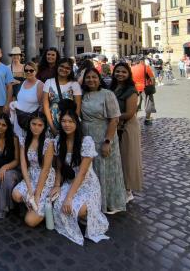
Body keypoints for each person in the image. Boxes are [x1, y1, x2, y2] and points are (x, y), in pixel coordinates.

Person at [51, 104, 109, 245]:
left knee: (78, 209)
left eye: (70, 121)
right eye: (64, 121)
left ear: (77, 123)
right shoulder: (59, 140)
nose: (67, 125)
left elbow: (82, 173)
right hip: (70, 182)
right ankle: (74, 216)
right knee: (56, 202)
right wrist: (57, 185)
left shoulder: (86, 141)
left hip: (87, 184)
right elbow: (59, 168)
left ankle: (85, 215)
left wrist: (69, 198)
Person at [80, 68, 127, 214]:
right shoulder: (83, 95)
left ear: (99, 79)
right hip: (87, 137)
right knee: (92, 171)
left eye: (94, 77)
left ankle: (108, 203)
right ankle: (94, 202)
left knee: (105, 171)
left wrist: (107, 141)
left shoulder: (107, 94)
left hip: (103, 137)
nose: (91, 80)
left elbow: (114, 119)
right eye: (88, 77)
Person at [12, 116, 56, 227]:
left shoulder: (48, 143)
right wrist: (29, 187)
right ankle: (31, 206)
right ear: (29, 124)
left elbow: (46, 170)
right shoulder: (24, 140)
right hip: (31, 175)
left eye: (40, 125)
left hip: (45, 178)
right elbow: (23, 165)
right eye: (34, 124)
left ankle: (47, 205)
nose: (36, 127)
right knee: (16, 195)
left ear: (44, 127)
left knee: (30, 221)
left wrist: (37, 194)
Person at [109, 63, 143, 202]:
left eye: (123, 72)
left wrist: (111, 117)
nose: (120, 74)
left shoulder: (131, 90)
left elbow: (130, 113)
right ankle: (119, 187)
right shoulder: (113, 87)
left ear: (128, 74)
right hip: (116, 126)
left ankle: (128, 190)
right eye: (117, 71)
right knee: (118, 158)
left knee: (127, 158)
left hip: (127, 127)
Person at [42, 58, 82, 137]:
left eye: (67, 68)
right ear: (57, 67)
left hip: (69, 122)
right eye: (62, 66)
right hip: (52, 121)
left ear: (71, 70)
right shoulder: (49, 82)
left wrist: (73, 124)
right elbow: (45, 105)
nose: (64, 69)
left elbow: (78, 106)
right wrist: (51, 126)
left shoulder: (74, 84)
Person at [13, 61, 44, 140]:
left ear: (36, 71)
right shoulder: (22, 83)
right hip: (19, 119)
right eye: (26, 70)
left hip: (31, 121)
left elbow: (42, 106)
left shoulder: (40, 85)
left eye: (31, 70)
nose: (28, 72)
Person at [131, 57, 155, 126]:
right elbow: (152, 78)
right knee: (148, 103)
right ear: (141, 61)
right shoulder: (146, 67)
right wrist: (153, 86)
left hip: (135, 88)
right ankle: (147, 119)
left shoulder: (131, 68)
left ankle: (134, 119)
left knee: (136, 104)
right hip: (145, 88)